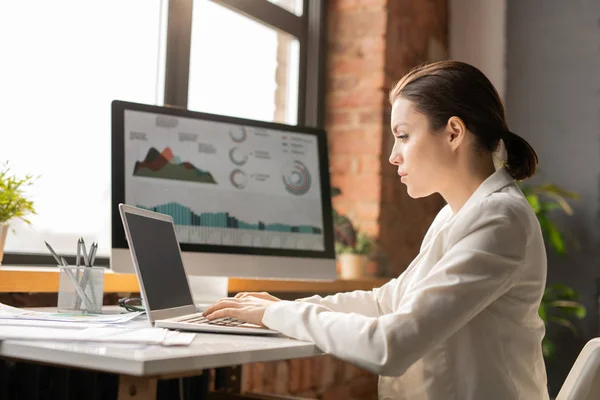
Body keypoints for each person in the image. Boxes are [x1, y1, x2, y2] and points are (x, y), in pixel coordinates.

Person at [202, 60, 549, 400]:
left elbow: (391, 345)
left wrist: (278, 315)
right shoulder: (455, 215)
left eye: (403, 136)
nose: (393, 156)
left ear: (453, 133)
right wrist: (279, 307)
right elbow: (386, 302)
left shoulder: (500, 219)